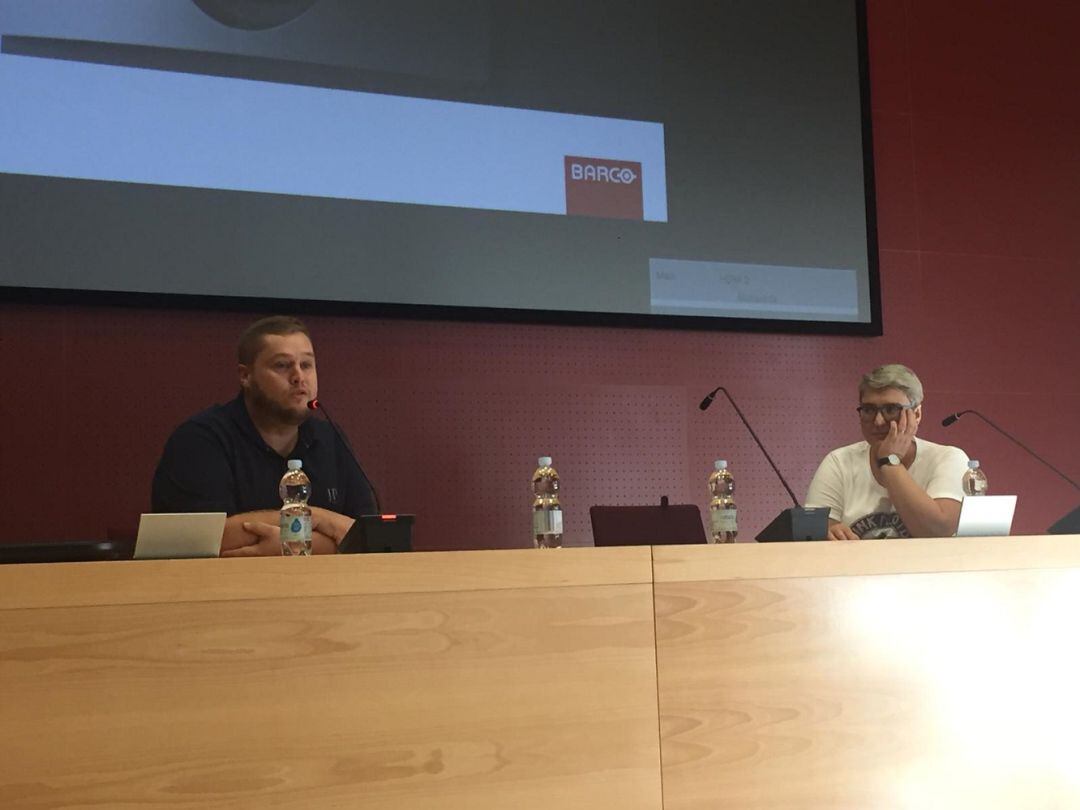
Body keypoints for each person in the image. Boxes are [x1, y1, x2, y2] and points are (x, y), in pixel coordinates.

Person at [152, 316, 377, 555]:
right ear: (245, 376)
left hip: (326, 579)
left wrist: (289, 542)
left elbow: (370, 536)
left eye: (306, 365)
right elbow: (204, 538)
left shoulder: (329, 438)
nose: (299, 377)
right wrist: (322, 522)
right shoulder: (201, 440)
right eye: (282, 365)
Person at [805, 364, 969, 540]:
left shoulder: (948, 458)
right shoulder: (839, 462)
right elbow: (811, 533)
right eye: (869, 410)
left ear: (917, 414)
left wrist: (890, 462)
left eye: (891, 410)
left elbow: (938, 532)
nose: (878, 421)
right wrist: (830, 532)